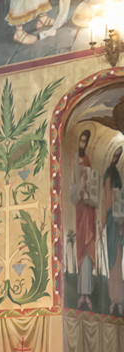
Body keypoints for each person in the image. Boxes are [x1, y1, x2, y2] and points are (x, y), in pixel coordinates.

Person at [72, 129, 97, 310]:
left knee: (89, 250)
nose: (83, 144)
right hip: (80, 213)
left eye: (85, 141)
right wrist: (80, 189)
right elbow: (72, 193)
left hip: (89, 210)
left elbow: (92, 185)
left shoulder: (87, 160)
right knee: (82, 249)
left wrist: (91, 195)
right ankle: (82, 294)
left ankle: (87, 294)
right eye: (81, 140)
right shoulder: (75, 162)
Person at [104, 146, 124, 315]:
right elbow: (106, 199)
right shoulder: (108, 174)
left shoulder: (117, 175)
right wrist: (109, 216)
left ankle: (119, 300)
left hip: (118, 225)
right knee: (112, 264)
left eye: (118, 158)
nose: (116, 160)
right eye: (115, 157)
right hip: (111, 224)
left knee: (118, 263)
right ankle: (113, 299)